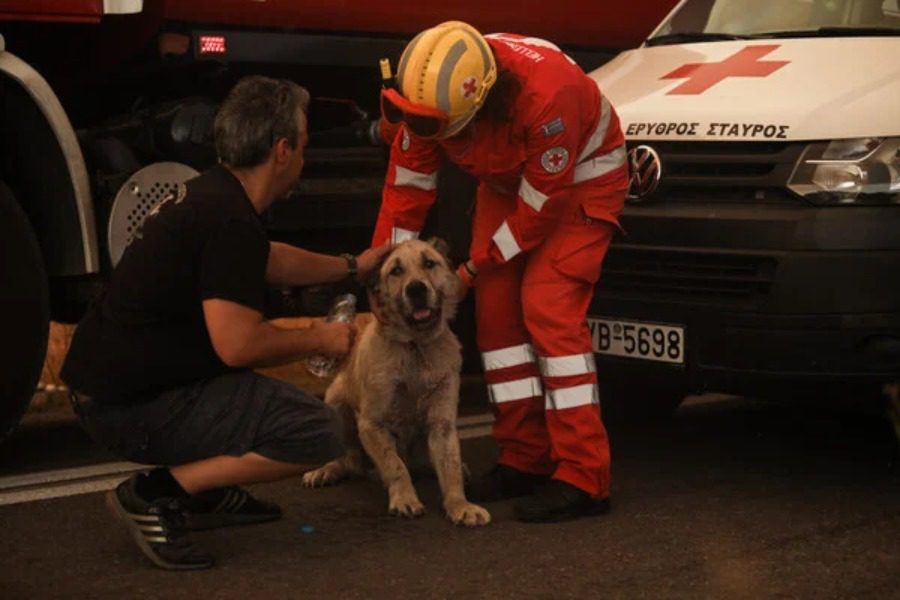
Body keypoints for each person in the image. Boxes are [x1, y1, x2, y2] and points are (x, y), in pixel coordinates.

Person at [61, 75, 390, 570]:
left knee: (246, 388)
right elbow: (237, 344)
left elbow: (269, 259)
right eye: (302, 144)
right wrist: (319, 337)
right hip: (126, 411)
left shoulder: (212, 196)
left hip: (109, 392)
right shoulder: (230, 220)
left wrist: (353, 266)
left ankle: (208, 492)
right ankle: (155, 494)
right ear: (281, 150)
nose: (304, 155)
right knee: (317, 430)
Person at [372, 21, 628, 522]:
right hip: (510, 181)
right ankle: (524, 457)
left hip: (579, 182)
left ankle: (583, 475)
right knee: (496, 320)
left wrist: (471, 266)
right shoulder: (432, 98)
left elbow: (538, 210)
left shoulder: (547, 98)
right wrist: (388, 280)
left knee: (547, 308)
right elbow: (406, 191)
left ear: (480, 106)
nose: (427, 135)